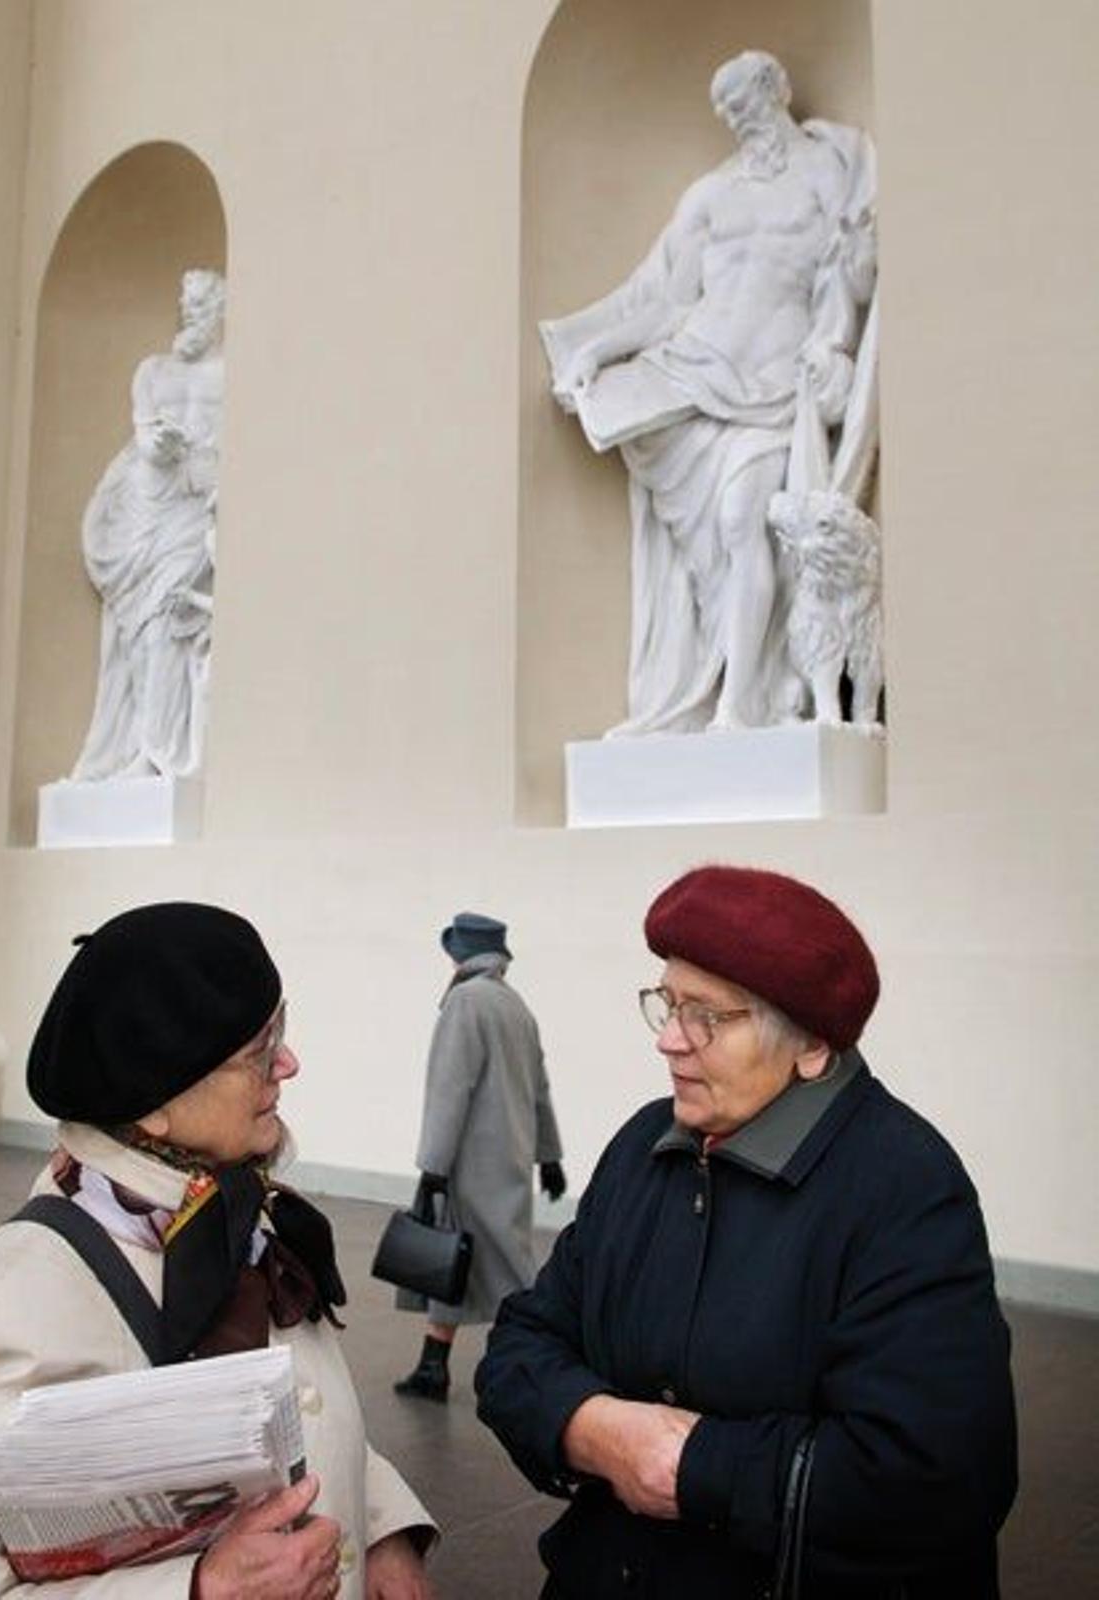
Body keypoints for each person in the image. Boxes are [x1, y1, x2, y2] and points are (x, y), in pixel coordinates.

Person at [476, 865, 1017, 1599]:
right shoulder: (644, 1148)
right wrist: (597, 1430)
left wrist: (692, 1466)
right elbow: (520, 1347)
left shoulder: (904, 1188)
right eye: (666, 1003)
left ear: (812, 1047)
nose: (670, 1039)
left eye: (708, 1015)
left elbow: (936, 1481)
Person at [0, 902, 436, 1599]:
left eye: (281, 1030)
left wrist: (383, 1529)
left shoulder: (231, 1214)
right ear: (153, 1103)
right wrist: (197, 1589)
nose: (290, 1063)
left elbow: (290, 1421)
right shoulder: (27, 1294)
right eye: (258, 1051)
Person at [540, 51, 878, 734]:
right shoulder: (710, 198)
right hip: (697, 367)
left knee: (741, 521)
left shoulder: (831, 171)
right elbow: (669, 303)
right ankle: (737, 698)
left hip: (777, 387)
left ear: (778, 89)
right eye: (725, 108)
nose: (737, 115)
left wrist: (833, 344)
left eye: (746, 97)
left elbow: (858, 273)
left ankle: (737, 705)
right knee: (722, 543)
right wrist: (595, 350)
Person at [394, 913, 566, 1403]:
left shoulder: (466, 1002)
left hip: (468, 1161)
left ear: (459, 951)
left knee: (505, 1270)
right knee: (458, 1263)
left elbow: (451, 1088)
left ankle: (545, 1361)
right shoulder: (515, 1005)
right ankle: (433, 1366)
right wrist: (548, 1156)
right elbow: (540, 1087)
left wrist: (433, 1167)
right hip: (509, 1154)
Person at [71, 268, 223, 781]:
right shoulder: (153, 371)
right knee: (132, 630)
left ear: (222, 313)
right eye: (186, 304)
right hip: (148, 505)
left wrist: (206, 461)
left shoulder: (233, 374)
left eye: (201, 305)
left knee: (163, 620)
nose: (190, 314)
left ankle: (156, 754)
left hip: (192, 508)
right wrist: (157, 442)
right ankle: (133, 740)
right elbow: (143, 434)